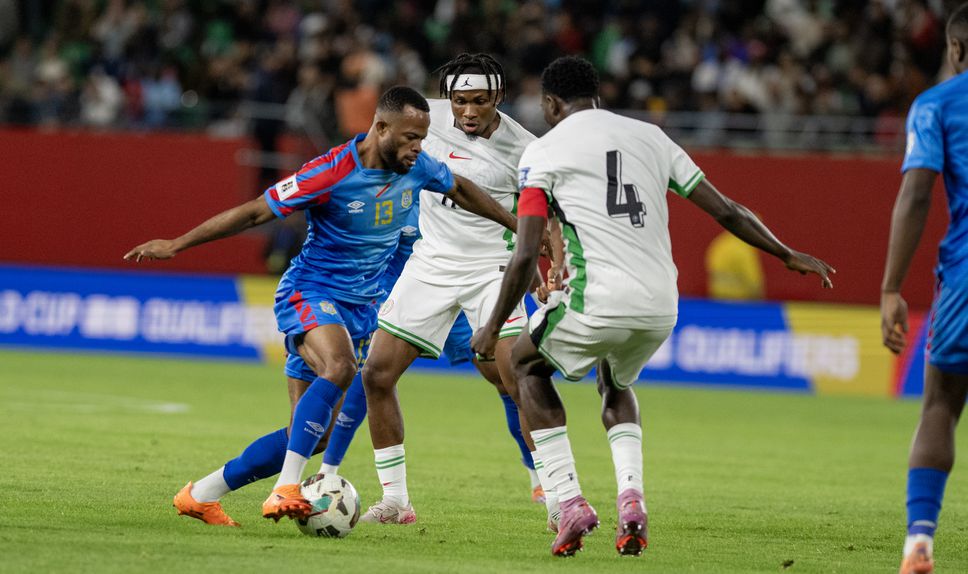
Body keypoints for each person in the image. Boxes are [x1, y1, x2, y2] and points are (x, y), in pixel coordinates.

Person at [471, 55, 834, 557]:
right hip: (662, 304)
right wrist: (786, 253)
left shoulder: (544, 152)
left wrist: (491, 327)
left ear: (550, 103)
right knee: (616, 381)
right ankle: (631, 500)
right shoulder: (652, 137)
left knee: (524, 363)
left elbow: (526, 251)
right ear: (595, 96)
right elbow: (727, 208)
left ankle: (571, 500)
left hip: (598, 298)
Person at [124, 85, 518, 524]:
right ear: (381, 127)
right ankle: (285, 489)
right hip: (310, 292)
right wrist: (177, 244)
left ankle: (200, 494)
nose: (418, 147)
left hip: (359, 309)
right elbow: (257, 211)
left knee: (308, 436)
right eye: (410, 138)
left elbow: (461, 187)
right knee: (341, 367)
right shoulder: (329, 172)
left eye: (423, 138)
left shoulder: (418, 167)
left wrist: (518, 225)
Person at [357, 53, 555, 525]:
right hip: (430, 264)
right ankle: (396, 501)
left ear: (499, 98)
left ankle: (559, 498)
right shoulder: (426, 118)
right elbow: (377, 136)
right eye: (460, 101)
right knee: (376, 374)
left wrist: (541, 271)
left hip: (493, 271)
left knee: (519, 380)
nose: (467, 112)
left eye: (480, 102)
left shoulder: (527, 149)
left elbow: (541, 218)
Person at [881, 6, 968, 574]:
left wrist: (891, 287)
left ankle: (919, 541)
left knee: (940, 403)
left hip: (965, 277)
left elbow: (916, 195)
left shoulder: (937, 104)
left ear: (956, 50)